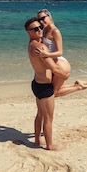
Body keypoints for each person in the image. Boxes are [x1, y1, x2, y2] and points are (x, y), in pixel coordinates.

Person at [25, 17, 66, 150]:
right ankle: (49, 145)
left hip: (36, 84)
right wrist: (65, 74)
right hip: (44, 87)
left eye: (40, 27)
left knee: (40, 114)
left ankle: (37, 140)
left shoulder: (31, 44)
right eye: (35, 29)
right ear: (28, 32)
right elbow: (53, 68)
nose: (39, 30)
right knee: (48, 118)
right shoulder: (40, 47)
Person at [36, 9, 87, 97]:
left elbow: (60, 52)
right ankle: (79, 84)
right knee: (54, 89)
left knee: (54, 93)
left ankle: (79, 87)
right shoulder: (44, 31)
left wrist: (47, 55)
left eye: (43, 18)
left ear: (49, 17)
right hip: (53, 63)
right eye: (39, 20)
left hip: (60, 64)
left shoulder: (55, 32)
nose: (41, 21)